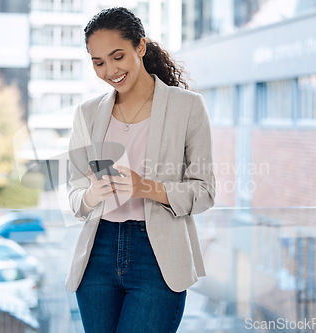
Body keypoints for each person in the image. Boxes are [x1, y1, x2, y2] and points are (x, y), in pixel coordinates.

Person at [66, 7, 215, 333]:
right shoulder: (87, 114)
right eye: (98, 62)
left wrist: (145, 187)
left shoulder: (187, 107)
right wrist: (92, 194)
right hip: (98, 252)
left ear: (141, 47)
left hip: (157, 254)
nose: (109, 70)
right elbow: (75, 197)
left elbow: (204, 192)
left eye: (117, 56)